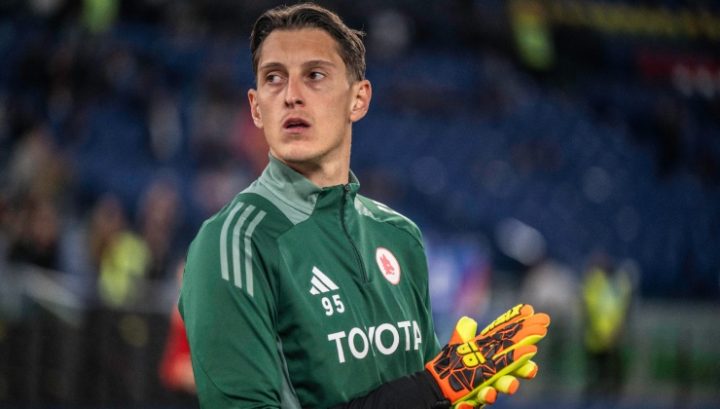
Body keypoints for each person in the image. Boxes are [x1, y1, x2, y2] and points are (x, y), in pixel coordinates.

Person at [180, 3, 549, 408]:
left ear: (358, 99)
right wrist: (433, 387)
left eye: (315, 75)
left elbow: (423, 396)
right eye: (274, 78)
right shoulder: (235, 242)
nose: (291, 95)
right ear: (255, 107)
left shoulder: (400, 236)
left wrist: (449, 397)